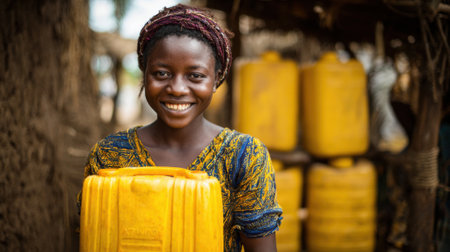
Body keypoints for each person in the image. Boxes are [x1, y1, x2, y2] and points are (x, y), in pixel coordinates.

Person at [81, 4, 282, 252]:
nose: (177, 88)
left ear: (217, 79)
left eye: (195, 76)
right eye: (162, 73)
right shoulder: (109, 155)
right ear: (144, 74)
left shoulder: (243, 156)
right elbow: (94, 240)